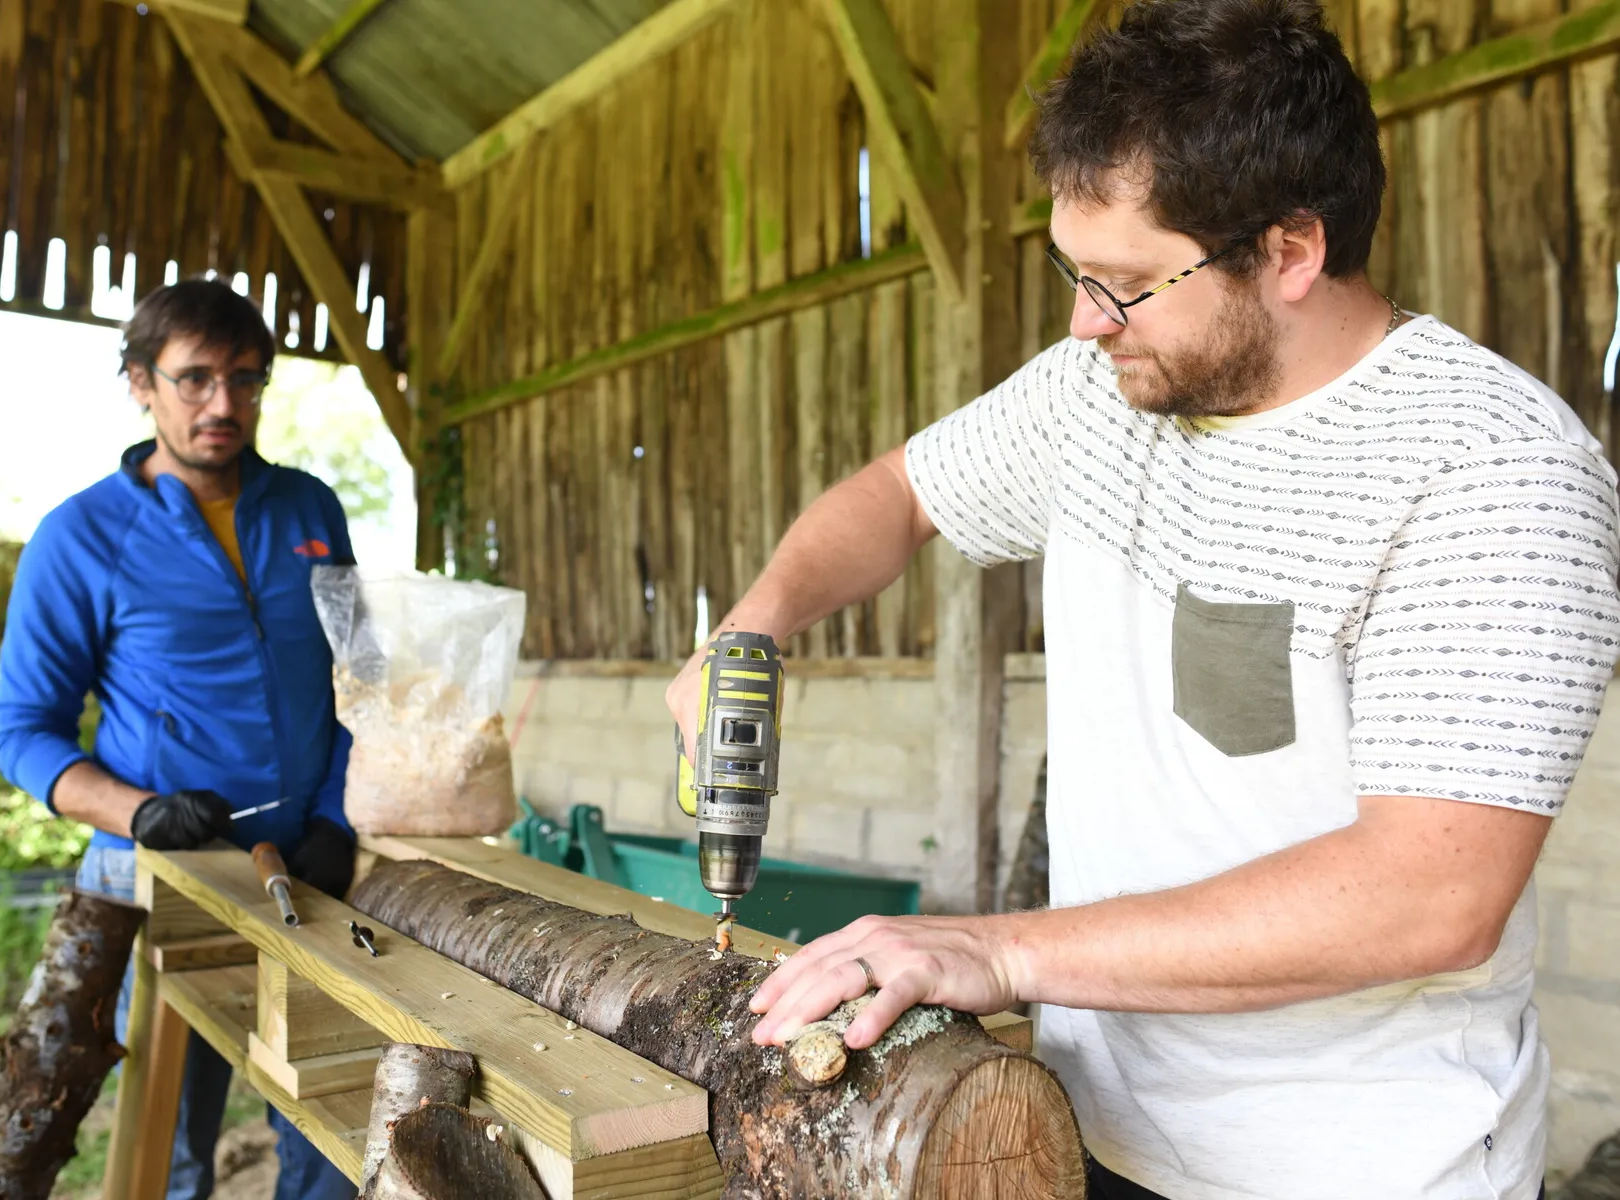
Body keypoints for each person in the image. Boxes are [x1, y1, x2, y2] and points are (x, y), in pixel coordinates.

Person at [668, 2, 1620, 1197]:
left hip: (1362, 1167)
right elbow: (896, 495)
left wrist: (993, 948)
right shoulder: (1100, 395)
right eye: (1077, 275)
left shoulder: (1493, 464)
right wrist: (750, 626)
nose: (1082, 321)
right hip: (1089, 1125)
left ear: (1290, 251)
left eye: (1122, 284)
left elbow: (1430, 896)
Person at [0, 280, 360, 1200]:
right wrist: (141, 811)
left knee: (332, 1123)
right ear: (138, 383)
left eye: (246, 379)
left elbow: (366, 680)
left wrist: (338, 816)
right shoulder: (77, 538)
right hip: (162, 871)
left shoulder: (312, 511)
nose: (223, 405)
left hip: (310, 869)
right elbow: (24, 733)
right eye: (194, 379)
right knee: (172, 1145)